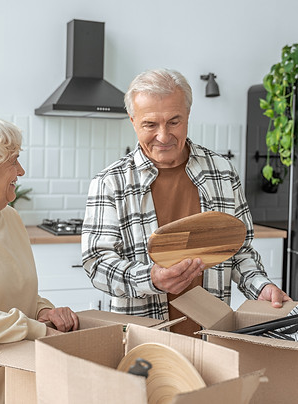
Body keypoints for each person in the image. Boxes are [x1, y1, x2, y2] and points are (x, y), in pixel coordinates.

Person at [81, 68, 291, 335]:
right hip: (144, 339)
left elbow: (240, 251)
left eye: (174, 121)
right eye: (150, 124)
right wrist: (152, 278)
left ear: (188, 116)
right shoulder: (110, 182)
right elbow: (97, 263)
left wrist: (261, 286)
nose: (163, 136)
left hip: (213, 335)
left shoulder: (222, 172)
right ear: (132, 120)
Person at [0, 119, 79, 404]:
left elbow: (19, 289)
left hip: (19, 376)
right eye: (13, 162)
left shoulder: (12, 218)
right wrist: (35, 328)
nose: (21, 171)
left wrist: (43, 312)